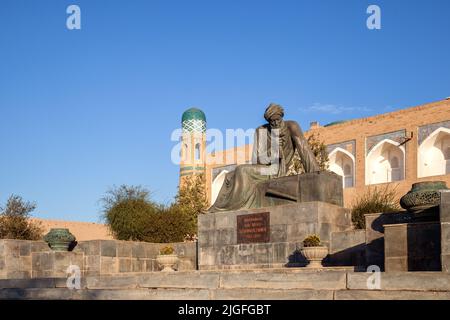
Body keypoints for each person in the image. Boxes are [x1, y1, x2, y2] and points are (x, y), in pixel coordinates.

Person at [208, 103, 320, 213]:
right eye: (272, 121)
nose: (275, 123)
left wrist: (316, 172)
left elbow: (304, 150)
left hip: (276, 170)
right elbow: (257, 160)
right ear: (268, 121)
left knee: (242, 170)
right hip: (263, 168)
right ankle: (219, 208)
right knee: (229, 176)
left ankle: (232, 207)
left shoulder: (291, 127)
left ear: (282, 117)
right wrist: (274, 149)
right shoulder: (261, 131)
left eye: (278, 120)